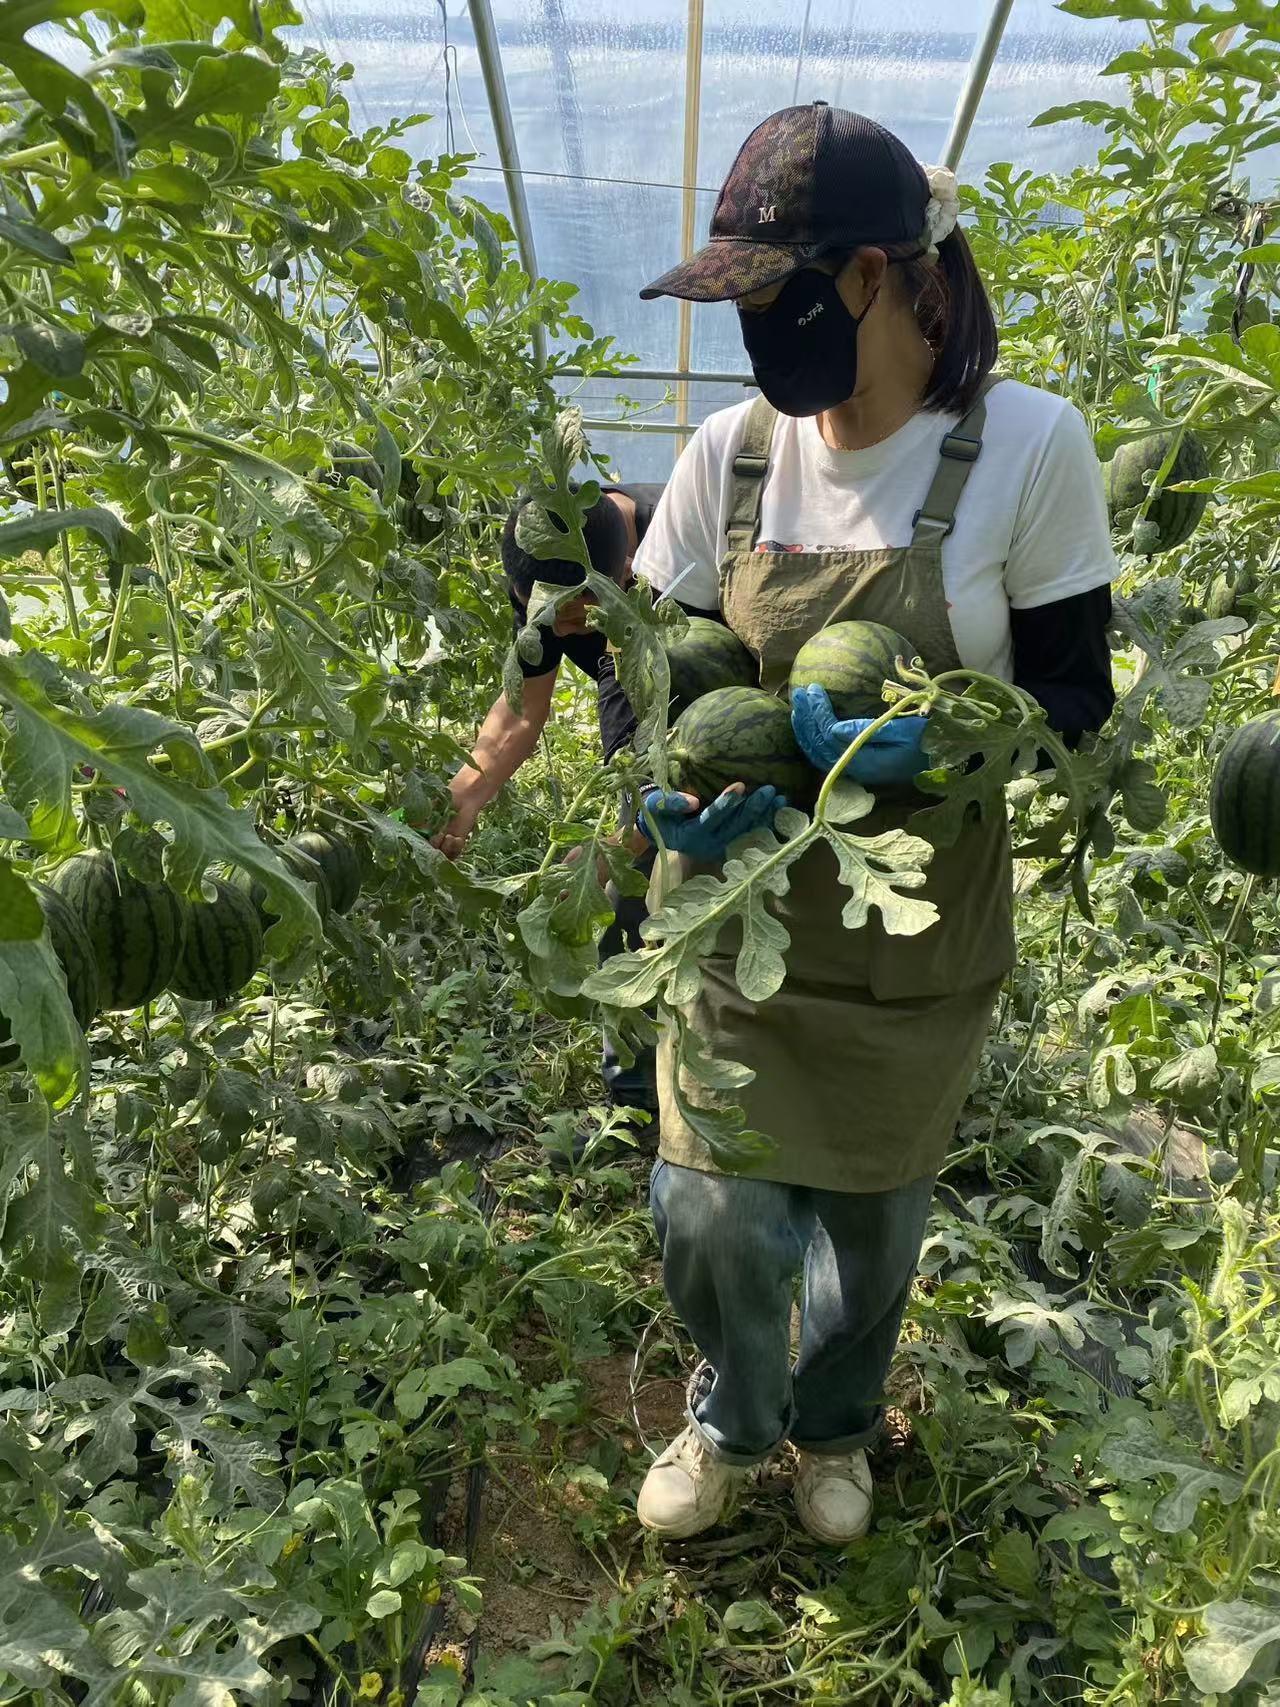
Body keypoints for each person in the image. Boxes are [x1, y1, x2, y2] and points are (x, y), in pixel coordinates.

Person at [626, 104, 1117, 1543]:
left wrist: (948, 742)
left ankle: (836, 1426)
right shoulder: (729, 453)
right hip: (737, 905)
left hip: (916, 920)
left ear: (874, 275)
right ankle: (733, 1413)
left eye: (772, 294)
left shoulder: (1026, 446)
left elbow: (1075, 696)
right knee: (709, 1208)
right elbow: (651, 671)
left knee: (871, 1219)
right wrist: (663, 780)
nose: (754, 333)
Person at [434, 482, 667, 1122]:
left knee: (634, 883)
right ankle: (636, 1102)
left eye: (579, 611)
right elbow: (520, 711)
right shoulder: (541, 570)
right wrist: (463, 796)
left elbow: (677, 757)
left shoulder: (680, 556)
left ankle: (663, 1086)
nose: (561, 627)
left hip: (690, 690)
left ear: (627, 570)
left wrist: (613, 847)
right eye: (541, 609)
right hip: (640, 695)